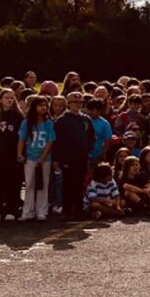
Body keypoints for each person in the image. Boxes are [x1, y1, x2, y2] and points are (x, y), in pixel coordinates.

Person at [53, 92, 93, 220]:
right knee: (68, 184)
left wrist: (88, 149)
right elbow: (57, 141)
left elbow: (91, 137)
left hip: (81, 156)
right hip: (68, 158)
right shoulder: (62, 120)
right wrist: (58, 158)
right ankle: (66, 210)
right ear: (68, 104)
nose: (77, 105)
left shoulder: (86, 119)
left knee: (79, 183)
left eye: (80, 103)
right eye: (74, 102)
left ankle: (78, 209)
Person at [18, 96, 56, 221]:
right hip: (30, 157)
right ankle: (27, 211)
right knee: (29, 184)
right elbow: (22, 139)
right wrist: (20, 154)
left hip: (45, 158)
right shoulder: (27, 122)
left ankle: (41, 211)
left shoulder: (49, 123)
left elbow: (50, 141)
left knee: (43, 184)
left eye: (45, 105)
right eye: (40, 105)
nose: (43, 108)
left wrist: (43, 157)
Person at [0, 88, 23, 220]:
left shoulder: (17, 116)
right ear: (1, 100)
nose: (9, 100)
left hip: (12, 155)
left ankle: (11, 209)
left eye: (11, 98)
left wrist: (20, 154)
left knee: (12, 183)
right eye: (6, 98)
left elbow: (21, 137)